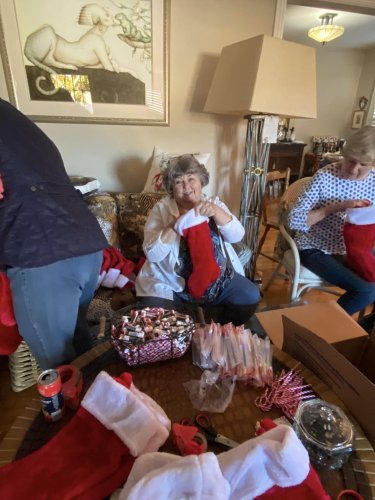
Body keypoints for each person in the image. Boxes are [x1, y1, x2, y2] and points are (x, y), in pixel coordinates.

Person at [0, 98, 108, 369]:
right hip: (84, 244)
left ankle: (77, 409)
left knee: (58, 371)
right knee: (81, 349)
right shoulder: (14, 118)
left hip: (43, 252)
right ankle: (98, 403)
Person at [135, 154, 261, 325]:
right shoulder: (161, 210)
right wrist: (173, 227)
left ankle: (213, 328)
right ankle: (186, 326)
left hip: (217, 279)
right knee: (155, 319)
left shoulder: (213, 203)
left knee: (250, 296)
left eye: (191, 179)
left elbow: (237, 235)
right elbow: (152, 254)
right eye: (179, 181)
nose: (186, 186)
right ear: (171, 187)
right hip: (170, 283)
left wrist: (216, 211)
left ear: (201, 181)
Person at [288, 125, 375, 316]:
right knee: (366, 290)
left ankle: (365, 333)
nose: (354, 169)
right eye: (351, 161)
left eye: (363, 164)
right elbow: (294, 220)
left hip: (355, 249)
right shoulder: (325, 177)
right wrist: (337, 206)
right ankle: (324, 328)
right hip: (315, 247)